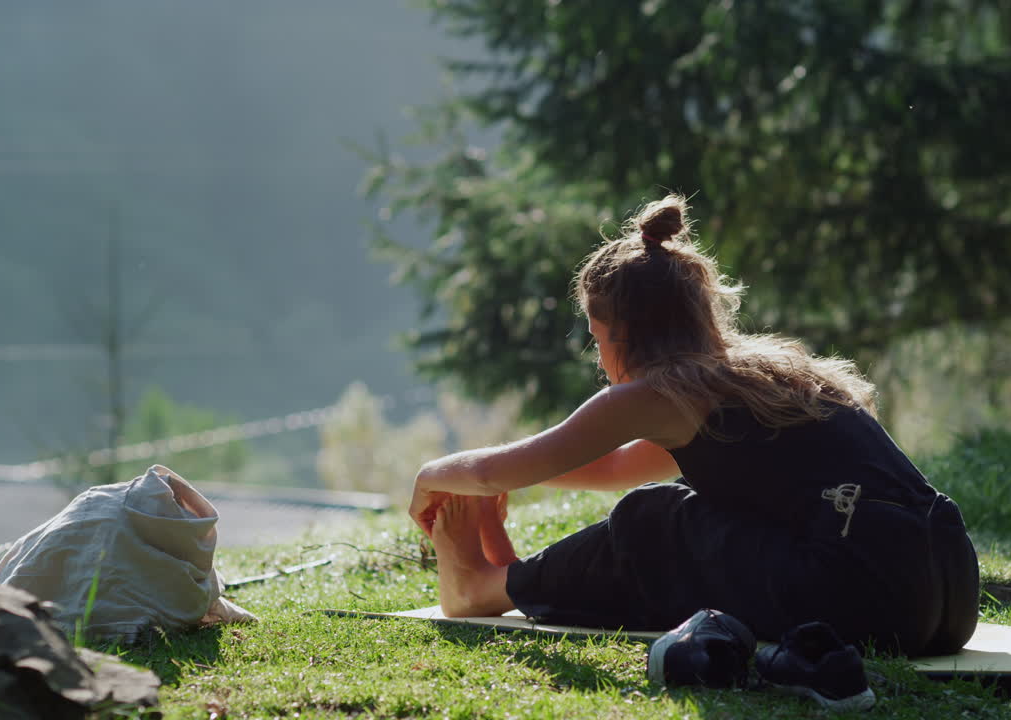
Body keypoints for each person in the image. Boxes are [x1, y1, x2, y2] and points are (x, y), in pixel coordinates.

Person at [408, 194, 979, 657]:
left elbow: (489, 471)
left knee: (650, 518)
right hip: (946, 593)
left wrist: (434, 476)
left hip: (863, 592)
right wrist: (506, 481)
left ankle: (484, 588)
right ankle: (508, 580)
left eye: (595, 335)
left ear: (623, 333)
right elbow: (612, 466)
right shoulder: (748, 379)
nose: (597, 355)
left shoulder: (661, 391)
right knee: (679, 503)